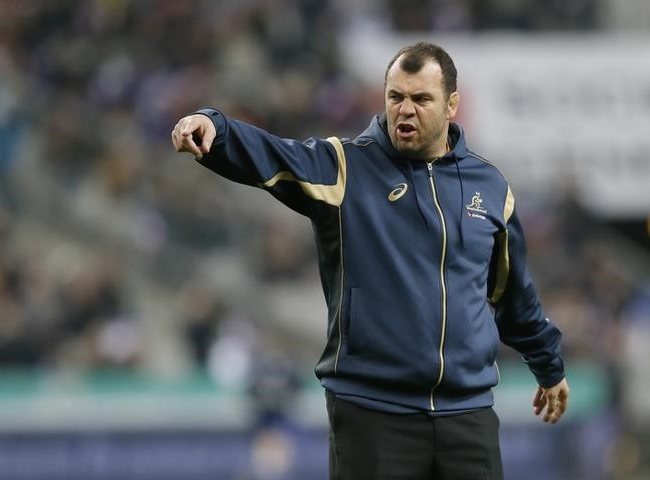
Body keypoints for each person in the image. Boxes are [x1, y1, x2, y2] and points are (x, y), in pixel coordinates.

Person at [171, 42, 570, 480]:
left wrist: (548, 365)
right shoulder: (346, 167)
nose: (405, 110)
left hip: (467, 414)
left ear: (452, 104)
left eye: (421, 99)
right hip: (373, 412)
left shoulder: (490, 186)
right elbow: (273, 154)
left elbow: (513, 294)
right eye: (396, 97)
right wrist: (214, 126)